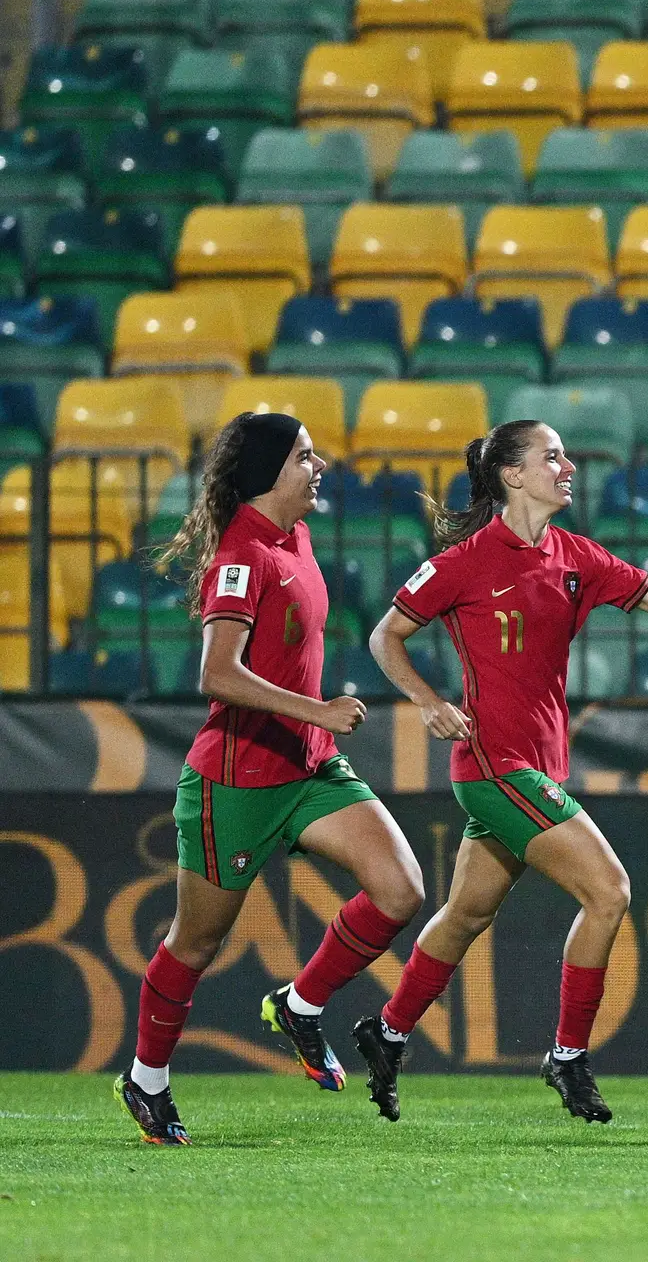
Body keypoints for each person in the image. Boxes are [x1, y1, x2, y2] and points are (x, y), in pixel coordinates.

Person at [360, 419, 648, 1124]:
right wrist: (428, 701)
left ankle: (386, 1032)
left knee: (467, 912)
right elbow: (385, 634)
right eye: (553, 456)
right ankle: (567, 1056)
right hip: (495, 766)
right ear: (512, 474)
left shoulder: (577, 556)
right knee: (609, 891)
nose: (569, 467)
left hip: (534, 768)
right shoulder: (464, 562)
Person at [118, 413, 426, 1145]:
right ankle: (146, 1079)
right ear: (267, 470)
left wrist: (314, 723)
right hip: (238, 781)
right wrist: (314, 706)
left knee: (400, 889)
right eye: (304, 456)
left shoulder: (297, 536)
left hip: (310, 764)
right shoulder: (241, 554)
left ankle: (301, 1004)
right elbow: (216, 674)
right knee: (195, 943)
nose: (319, 466)